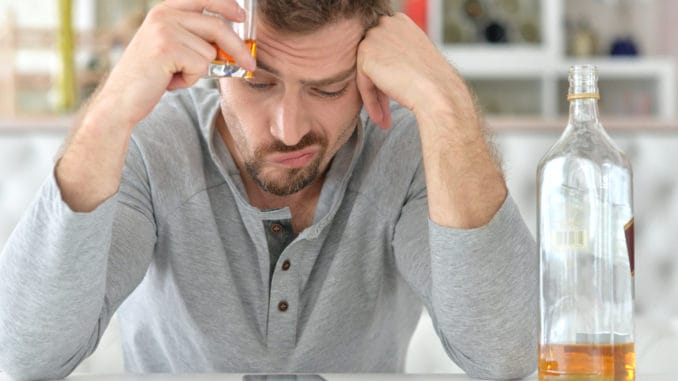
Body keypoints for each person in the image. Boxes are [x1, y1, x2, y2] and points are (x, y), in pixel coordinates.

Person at [0, 0, 537, 379]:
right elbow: (26, 356)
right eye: (257, 83)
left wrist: (445, 100)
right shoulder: (152, 142)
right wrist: (110, 109)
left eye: (329, 88)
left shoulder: (406, 149)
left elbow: (506, 355)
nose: (288, 128)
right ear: (215, 61)